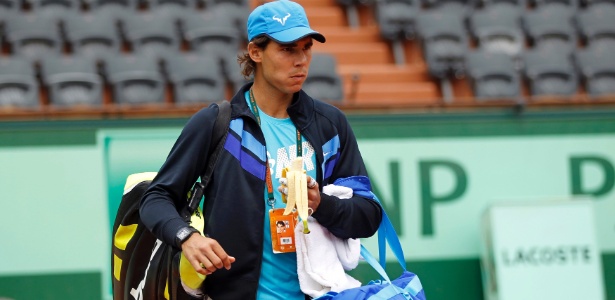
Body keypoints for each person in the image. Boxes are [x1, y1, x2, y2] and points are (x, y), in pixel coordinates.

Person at [140, 0, 383, 299]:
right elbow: (156, 198)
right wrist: (187, 238)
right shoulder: (217, 123)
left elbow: (368, 216)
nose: (301, 60)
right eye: (287, 49)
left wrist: (322, 204)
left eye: (306, 48)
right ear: (255, 52)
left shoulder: (330, 124)